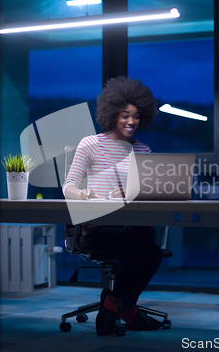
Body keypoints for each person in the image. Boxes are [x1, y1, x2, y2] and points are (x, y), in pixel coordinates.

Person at [62, 76, 164, 336]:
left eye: (137, 116)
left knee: (148, 240)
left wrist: (133, 194)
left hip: (128, 225)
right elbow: (68, 186)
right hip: (95, 228)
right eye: (125, 115)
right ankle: (125, 309)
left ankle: (115, 303)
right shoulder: (91, 144)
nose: (131, 121)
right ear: (112, 114)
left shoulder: (144, 151)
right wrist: (83, 193)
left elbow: (150, 193)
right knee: (147, 248)